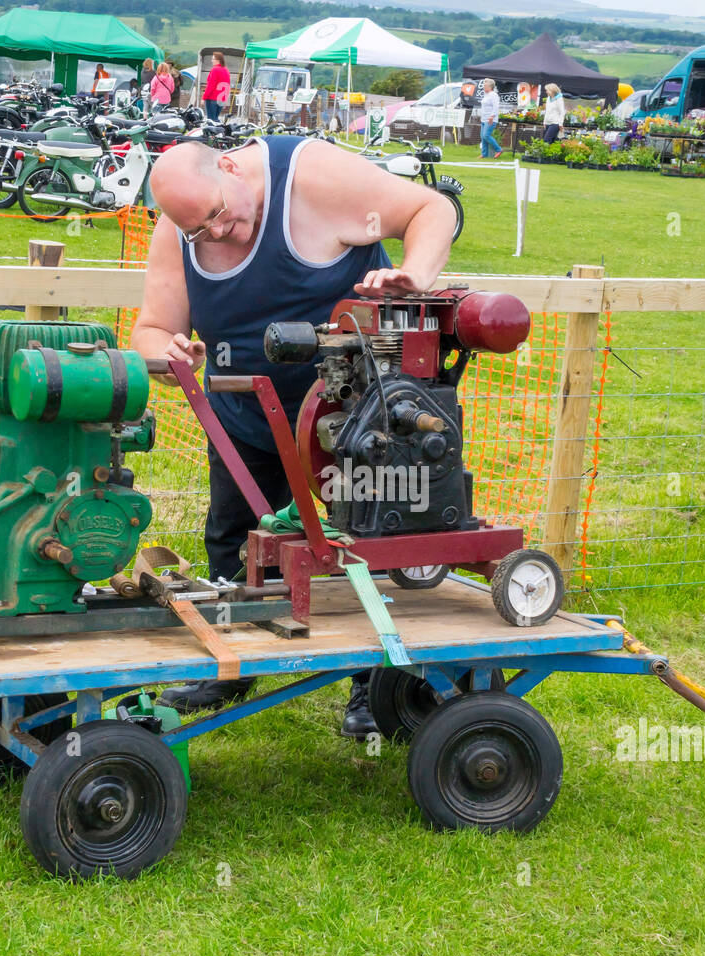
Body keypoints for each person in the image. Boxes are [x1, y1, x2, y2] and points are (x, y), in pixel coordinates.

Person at [130, 135, 456, 735]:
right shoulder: (183, 225)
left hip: (351, 416)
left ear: (228, 166)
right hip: (244, 416)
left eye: (220, 216)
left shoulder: (313, 178)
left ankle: (373, 687)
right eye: (200, 230)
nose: (217, 233)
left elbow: (432, 209)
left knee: (360, 545)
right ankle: (229, 663)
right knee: (233, 540)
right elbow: (152, 327)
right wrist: (168, 353)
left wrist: (415, 276)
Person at [478, 78, 501, 160]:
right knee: (482, 136)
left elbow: (496, 107)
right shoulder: (486, 94)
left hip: (490, 119)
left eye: (485, 85)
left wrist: (492, 116)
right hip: (484, 119)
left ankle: (498, 149)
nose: (483, 87)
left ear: (490, 87)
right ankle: (484, 154)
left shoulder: (494, 95)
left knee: (486, 135)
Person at [202, 52, 229, 121]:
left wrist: (204, 98)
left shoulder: (215, 69)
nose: (212, 61)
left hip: (212, 98)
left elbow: (210, 85)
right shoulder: (226, 70)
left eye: (213, 59)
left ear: (218, 60)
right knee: (216, 118)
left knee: (211, 120)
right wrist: (225, 99)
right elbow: (227, 85)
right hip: (221, 99)